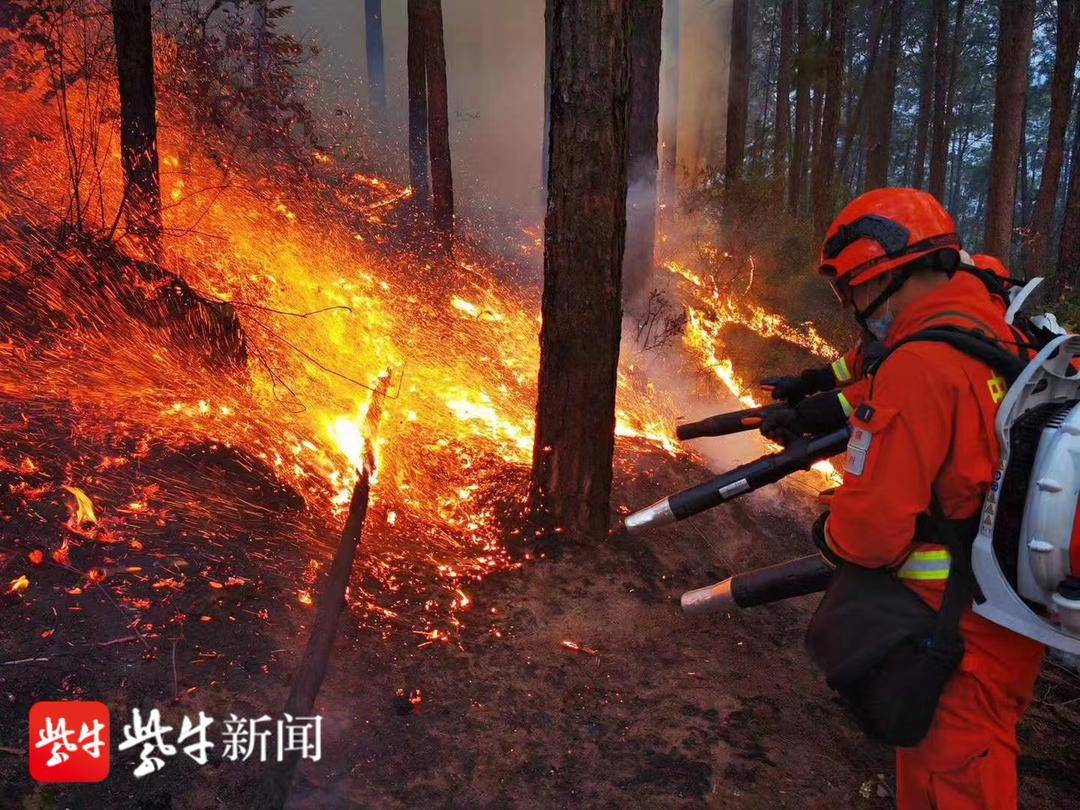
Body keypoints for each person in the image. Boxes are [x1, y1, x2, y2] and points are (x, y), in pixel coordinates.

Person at [815, 188, 1044, 809]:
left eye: (853, 291)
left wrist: (829, 528)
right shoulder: (999, 333)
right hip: (1007, 618)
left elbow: (870, 534)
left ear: (884, 276)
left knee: (954, 784)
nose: (856, 308)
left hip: (950, 632)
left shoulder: (919, 367)